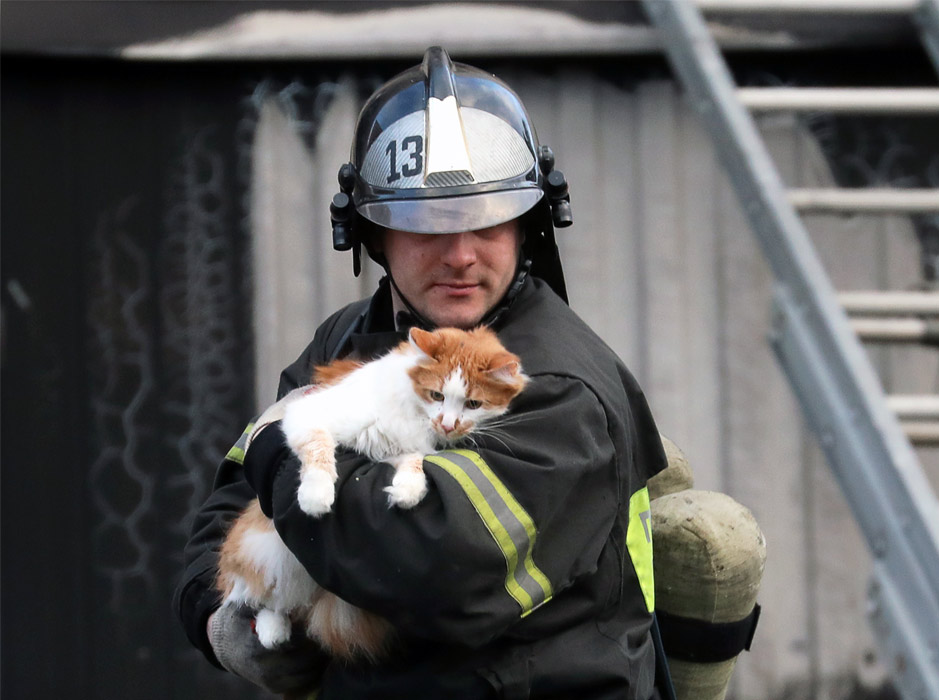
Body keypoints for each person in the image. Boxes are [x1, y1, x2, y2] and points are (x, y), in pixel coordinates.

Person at [174, 47, 668, 699]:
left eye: (488, 220)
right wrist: (213, 615)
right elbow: (237, 496)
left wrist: (282, 444)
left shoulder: (557, 386)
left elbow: (431, 564)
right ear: (372, 234)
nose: (461, 254)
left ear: (528, 225)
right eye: (428, 223)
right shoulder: (349, 336)